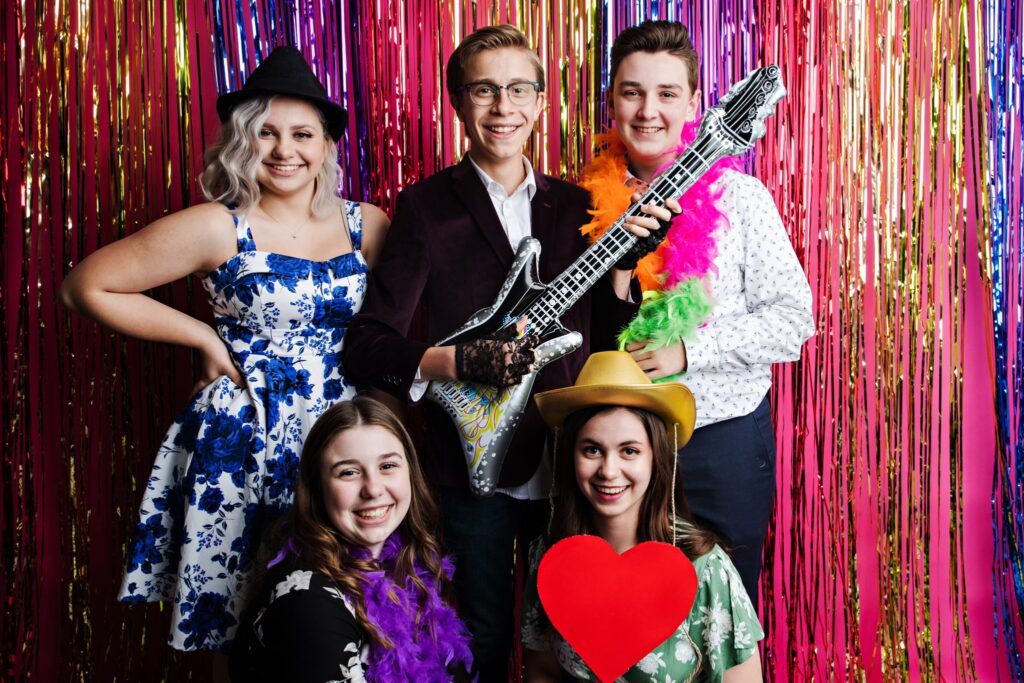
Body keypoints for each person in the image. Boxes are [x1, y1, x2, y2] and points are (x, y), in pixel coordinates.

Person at [342, 24, 670, 679]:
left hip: (566, 460)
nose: (503, 107)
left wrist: (624, 271)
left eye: (519, 89)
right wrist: (457, 363)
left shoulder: (576, 205)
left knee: (569, 639)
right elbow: (366, 347)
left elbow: (607, 339)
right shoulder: (425, 209)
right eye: (484, 90)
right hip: (468, 469)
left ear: (542, 102)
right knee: (484, 638)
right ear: (459, 104)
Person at [59, 47, 390, 651]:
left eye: (301, 134)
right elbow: (86, 285)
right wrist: (203, 336)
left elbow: (400, 325)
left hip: (342, 434)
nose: (284, 149)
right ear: (243, 141)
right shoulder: (217, 225)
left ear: (326, 145)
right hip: (244, 434)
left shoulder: (366, 224)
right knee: (238, 615)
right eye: (266, 132)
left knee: (344, 604)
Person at [578, 20, 814, 606]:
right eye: (632, 92)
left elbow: (793, 319)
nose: (648, 110)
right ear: (612, 102)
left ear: (693, 103)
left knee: (726, 615)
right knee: (626, 619)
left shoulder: (740, 199)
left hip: (721, 441)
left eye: (666, 93)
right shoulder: (579, 207)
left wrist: (688, 351)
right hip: (618, 452)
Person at [522, 351, 764, 682]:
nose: (608, 470)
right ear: (570, 457)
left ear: (656, 459)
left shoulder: (707, 570)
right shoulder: (548, 555)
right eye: (592, 449)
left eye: (629, 451)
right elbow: (542, 672)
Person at [228, 396, 473, 682]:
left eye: (387, 466)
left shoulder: (406, 567)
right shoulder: (308, 605)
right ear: (318, 487)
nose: (372, 489)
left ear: (410, 473)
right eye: (349, 472)